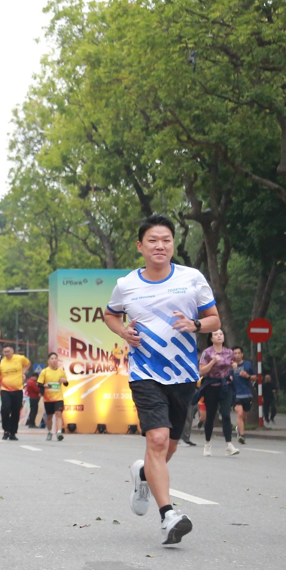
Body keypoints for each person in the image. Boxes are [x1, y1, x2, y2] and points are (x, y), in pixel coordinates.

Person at [104, 214, 220, 545]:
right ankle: (168, 515)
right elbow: (110, 314)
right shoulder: (127, 284)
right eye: (153, 240)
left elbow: (213, 319)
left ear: (173, 244)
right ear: (140, 246)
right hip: (145, 373)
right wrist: (122, 330)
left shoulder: (192, 278)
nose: (160, 245)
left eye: (166, 239)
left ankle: (143, 475)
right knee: (156, 440)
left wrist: (196, 325)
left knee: (168, 447)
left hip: (184, 374)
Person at [198, 330, 240, 457]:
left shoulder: (229, 352)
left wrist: (234, 367)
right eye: (216, 334)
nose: (219, 336)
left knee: (226, 414)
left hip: (225, 387)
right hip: (211, 386)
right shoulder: (207, 353)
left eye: (221, 334)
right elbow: (201, 371)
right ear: (211, 338)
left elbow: (233, 365)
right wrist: (212, 362)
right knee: (210, 416)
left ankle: (229, 445)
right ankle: (207, 444)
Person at [0, 345, 29, 441]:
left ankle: (13, 432)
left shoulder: (20, 358)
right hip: (5, 390)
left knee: (16, 411)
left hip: (18, 389)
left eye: (8, 351)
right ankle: (6, 431)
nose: (6, 353)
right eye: (5, 352)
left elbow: (27, 364)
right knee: (5, 409)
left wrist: (24, 372)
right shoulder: (2, 362)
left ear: (12, 351)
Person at [38, 353, 69, 441]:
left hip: (58, 398)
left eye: (55, 358)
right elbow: (39, 384)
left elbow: (66, 383)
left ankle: (59, 432)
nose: (54, 360)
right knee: (49, 417)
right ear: (48, 361)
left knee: (58, 414)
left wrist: (65, 381)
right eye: (52, 358)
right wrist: (45, 385)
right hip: (48, 399)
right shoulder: (44, 371)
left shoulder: (61, 371)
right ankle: (49, 432)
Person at [230, 346, 253, 444]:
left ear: (242, 354)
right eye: (235, 353)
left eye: (239, 353)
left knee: (244, 416)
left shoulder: (248, 365)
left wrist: (247, 376)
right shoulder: (229, 366)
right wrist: (229, 378)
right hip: (235, 394)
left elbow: (255, 377)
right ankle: (242, 436)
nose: (237, 355)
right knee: (239, 413)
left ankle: (238, 428)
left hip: (246, 393)